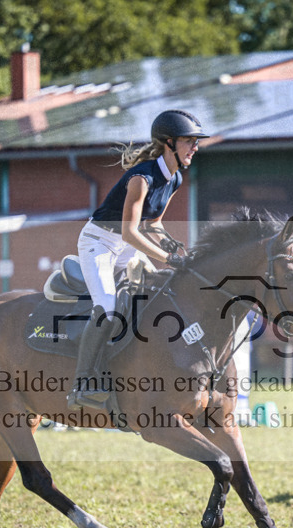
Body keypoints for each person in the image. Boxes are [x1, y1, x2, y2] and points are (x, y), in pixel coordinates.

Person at [68, 110, 210, 409]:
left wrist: (172, 245)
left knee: (155, 292)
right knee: (107, 306)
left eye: (196, 142)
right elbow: (130, 232)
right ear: (169, 143)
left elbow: (153, 224)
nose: (195, 147)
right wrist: (167, 258)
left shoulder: (175, 178)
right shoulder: (141, 178)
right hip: (100, 243)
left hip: (126, 244)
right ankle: (82, 383)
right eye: (190, 141)